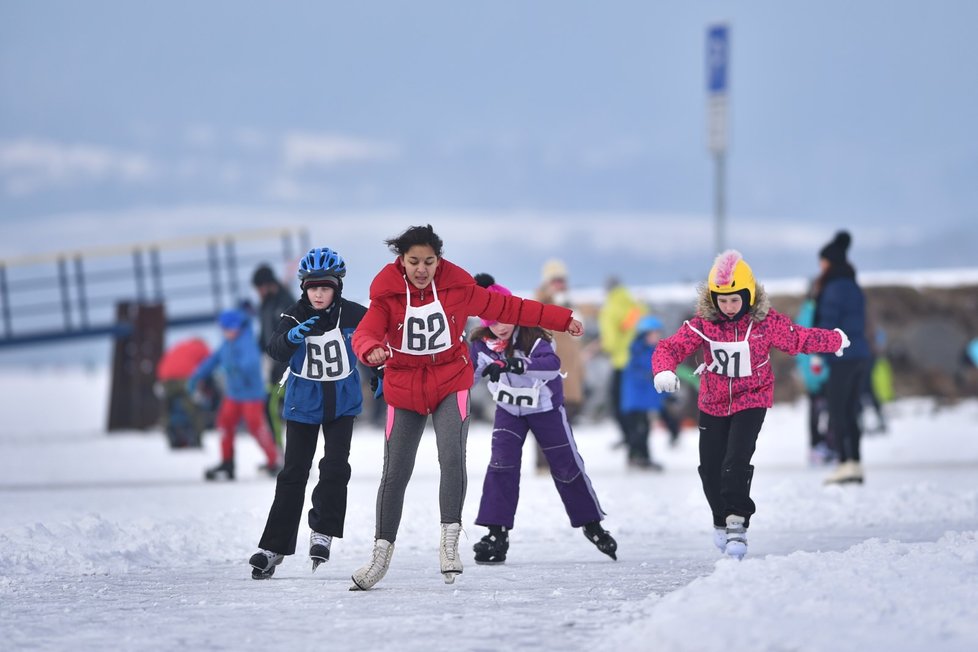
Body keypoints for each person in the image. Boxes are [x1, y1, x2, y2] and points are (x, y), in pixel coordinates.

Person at [349, 224, 584, 590]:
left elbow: (512, 307)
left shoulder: (458, 289)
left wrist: (562, 319)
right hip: (404, 386)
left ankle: (449, 544)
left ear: (438, 260)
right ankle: (380, 556)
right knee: (395, 472)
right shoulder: (387, 295)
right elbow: (365, 331)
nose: (422, 269)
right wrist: (369, 349)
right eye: (414, 262)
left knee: (452, 459)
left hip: (448, 382)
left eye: (429, 261)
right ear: (402, 262)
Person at [652, 250, 848, 559]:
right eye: (723, 300)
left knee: (735, 462)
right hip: (712, 402)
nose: (729, 307)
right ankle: (721, 519)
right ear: (713, 299)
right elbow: (670, 347)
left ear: (749, 296)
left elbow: (798, 338)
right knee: (711, 468)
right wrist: (663, 369)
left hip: (751, 398)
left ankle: (737, 524)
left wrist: (833, 341)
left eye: (735, 299)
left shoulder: (764, 323)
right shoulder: (702, 325)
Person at [468, 273, 616, 565]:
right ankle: (496, 532)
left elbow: (551, 366)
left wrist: (515, 363)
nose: (501, 327)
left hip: (545, 409)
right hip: (509, 412)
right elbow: (466, 376)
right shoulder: (481, 344)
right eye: (493, 322)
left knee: (566, 466)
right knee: (501, 466)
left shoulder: (531, 335)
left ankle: (592, 524)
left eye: (505, 318)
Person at [247, 247, 374, 579]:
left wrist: (380, 375)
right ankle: (273, 546)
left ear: (337, 287)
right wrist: (290, 338)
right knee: (293, 473)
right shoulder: (293, 314)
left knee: (335, 467)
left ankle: (323, 531)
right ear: (304, 288)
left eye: (326, 286)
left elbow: (375, 341)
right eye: (312, 287)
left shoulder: (353, 314)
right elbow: (274, 349)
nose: (318, 293)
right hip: (302, 404)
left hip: (341, 404)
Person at [190, 308, 282, 481]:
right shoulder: (227, 343)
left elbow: (251, 364)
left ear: (238, 326)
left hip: (252, 395)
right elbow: (213, 360)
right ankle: (227, 462)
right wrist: (197, 375)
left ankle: (273, 461)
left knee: (256, 427)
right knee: (224, 425)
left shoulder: (246, 341)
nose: (227, 332)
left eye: (230, 328)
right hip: (233, 394)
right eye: (224, 329)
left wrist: (234, 368)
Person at [815, 231, 871, 485]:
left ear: (830, 262)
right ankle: (855, 463)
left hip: (842, 357)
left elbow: (828, 325)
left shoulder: (833, 288)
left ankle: (844, 463)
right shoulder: (853, 285)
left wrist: (818, 352)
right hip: (860, 355)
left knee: (837, 411)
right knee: (851, 411)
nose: (820, 266)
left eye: (822, 261)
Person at [620, 315, 680, 470]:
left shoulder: (655, 350)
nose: (656, 337)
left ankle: (640, 456)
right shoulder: (637, 350)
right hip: (635, 399)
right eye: (652, 334)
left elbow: (658, 377)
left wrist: (668, 395)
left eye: (657, 333)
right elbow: (639, 374)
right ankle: (638, 456)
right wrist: (648, 375)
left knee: (644, 428)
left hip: (645, 399)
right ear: (644, 335)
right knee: (639, 429)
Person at [252, 264, 297, 449]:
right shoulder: (265, 304)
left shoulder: (286, 300)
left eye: (259, 288)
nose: (258, 292)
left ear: (268, 284)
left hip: (288, 365)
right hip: (271, 364)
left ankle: (295, 455)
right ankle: (279, 450)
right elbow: (264, 333)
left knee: (289, 409)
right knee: (269, 408)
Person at [598, 277, 646, 448]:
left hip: (621, 362)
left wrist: (606, 347)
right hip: (640, 362)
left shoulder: (610, 308)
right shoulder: (636, 306)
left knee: (617, 403)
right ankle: (638, 445)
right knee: (638, 407)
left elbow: (610, 342)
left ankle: (629, 438)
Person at [794, 282, 834, 465]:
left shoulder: (807, 310)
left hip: (815, 371)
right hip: (819, 372)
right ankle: (821, 446)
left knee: (819, 411)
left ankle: (819, 446)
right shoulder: (813, 312)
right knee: (824, 411)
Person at [156, 337, 210, 448]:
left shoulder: (180, 345)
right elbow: (209, 366)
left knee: (168, 409)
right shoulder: (202, 348)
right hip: (186, 379)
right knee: (194, 408)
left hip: (165, 379)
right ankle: (197, 439)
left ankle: (170, 434)